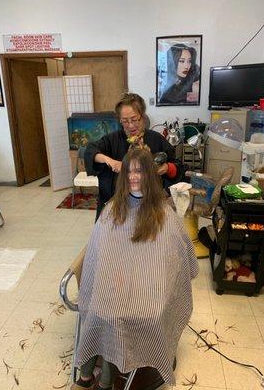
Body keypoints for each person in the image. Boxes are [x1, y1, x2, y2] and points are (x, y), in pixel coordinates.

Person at [72, 148, 199, 390]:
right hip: (113, 281)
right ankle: (95, 376)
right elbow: (99, 256)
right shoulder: (112, 209)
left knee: (151, 315)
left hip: (149, 285)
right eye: (128, 171)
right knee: (102, 310)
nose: (133, 177)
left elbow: (178, 258)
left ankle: (108, 376)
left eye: (139, 171)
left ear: (150, 174)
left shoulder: (164, 213)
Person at [84, 92, 184, 219]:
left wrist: (168, 168)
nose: (130, 125)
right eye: (125, 121)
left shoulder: (156, 139)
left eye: (134, 119)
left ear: (142, 116)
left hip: (149, 207)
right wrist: (110, 161)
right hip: (118, 207)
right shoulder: (112, 140)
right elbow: (90, 151)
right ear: (120, 120)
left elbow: (178, 167)